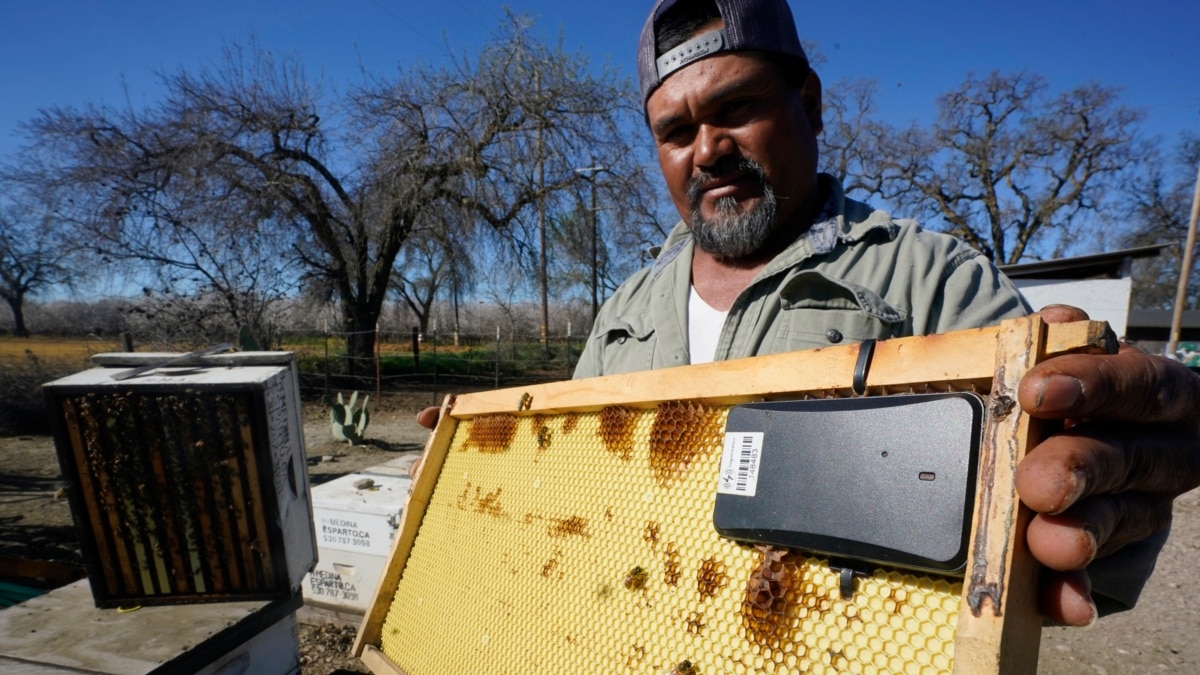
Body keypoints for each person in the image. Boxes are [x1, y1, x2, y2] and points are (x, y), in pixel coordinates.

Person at [417, 0, 1200, 629]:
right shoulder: (622, 313)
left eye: (737, 107)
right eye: (676, 132)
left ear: (811, 103)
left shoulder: (931, 280)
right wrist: (476, 490)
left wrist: (1113, 479)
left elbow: (1066, 508)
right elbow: (568, 508)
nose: (709, 148)